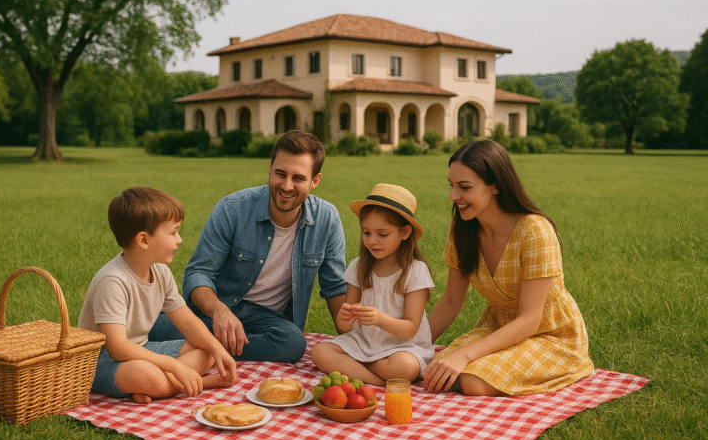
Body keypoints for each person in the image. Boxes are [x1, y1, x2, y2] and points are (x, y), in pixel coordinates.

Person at [149, 130, 347, 363]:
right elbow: (198, 273)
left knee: (293, 343)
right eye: (280, 174)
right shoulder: (233, 208)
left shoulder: (327, 220)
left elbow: (335, 287)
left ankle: (204, 346)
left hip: (267, 321)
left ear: (315, 181)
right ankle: (206, 341)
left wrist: (353, 344)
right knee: (154, 326)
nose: (286, 185)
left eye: (298, 178)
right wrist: (219, 311)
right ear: (270, 168)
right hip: (214, 312)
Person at [423, 139, 594, 396]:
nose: (453, 197)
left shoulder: (535, 230)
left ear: (495, 185)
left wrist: (465, 355)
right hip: (499, 330)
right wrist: (414, 346)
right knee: (434, 369)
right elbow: (450, 300)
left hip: (550, 336)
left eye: (464, 187)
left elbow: (529, 320)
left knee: (472, 380)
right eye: (452, 186)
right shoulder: (461, 228)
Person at [78, 187, 236, 404]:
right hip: (100, 361)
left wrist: (218, 349)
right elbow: (117, 347)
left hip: (141, 348)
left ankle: (162, 386)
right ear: (143, 240)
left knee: (207, 351)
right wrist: (173, 365)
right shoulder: (112, 281)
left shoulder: (160, 271)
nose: (179, 239)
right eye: (173, 232)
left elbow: (187, 321)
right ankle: (198, 382)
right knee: (147, 375)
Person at [311, 183, 435, 386]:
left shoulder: (415, 271)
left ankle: (359, 368)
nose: (372, 241)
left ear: (404, 232)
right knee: (320, 352)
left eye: (382, 234)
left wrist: (379, 319)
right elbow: (345, 326)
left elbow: (410, 328)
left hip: (402, 347)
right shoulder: (359, 266)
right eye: (366, 233)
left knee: (406, 367)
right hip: (363, 343)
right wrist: (345, 317)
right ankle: (377, 381)